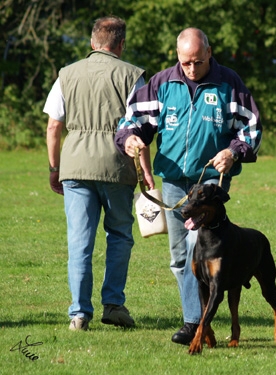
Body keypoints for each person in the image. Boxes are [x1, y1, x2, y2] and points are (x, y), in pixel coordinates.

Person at [114, 27, 262, 345]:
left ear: (209, 52)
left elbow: (251, 128)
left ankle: (197, 323)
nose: (192, 68)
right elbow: (130, 120)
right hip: (172, 181)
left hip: (208, 181)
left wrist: (233, 152)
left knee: (200, 244)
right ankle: (195, 322)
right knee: (180, 258)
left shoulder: (229, 84)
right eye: (185, 62)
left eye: (197, 61)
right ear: (177, 57)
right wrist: (131, 139)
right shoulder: (162, 83)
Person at [44, 16, 146, 331]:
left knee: (79, 241)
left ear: (92, 43)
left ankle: (79, 314)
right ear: (121, 44)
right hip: (117, 166)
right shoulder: (133, 76)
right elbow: (139, 130)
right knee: (118, 236)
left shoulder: (66, 74)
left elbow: (53, 126)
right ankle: (113, 304)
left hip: (74, 166)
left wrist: (54, 167)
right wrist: (144, 174)